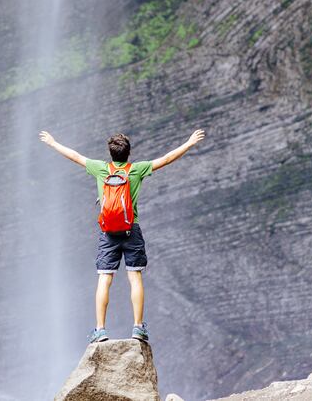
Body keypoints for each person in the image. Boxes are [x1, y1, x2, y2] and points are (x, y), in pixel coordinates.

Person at [39, 129, 205, 343]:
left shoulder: (100, 169)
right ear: (129, 153)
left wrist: (53, 143)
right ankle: (138, 328)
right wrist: (189, 143)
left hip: (108, 232)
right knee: (134, 277)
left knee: (104, 279)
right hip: (131, 229)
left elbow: (75, 156)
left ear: (110, 153)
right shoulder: (136, 170)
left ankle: (100, 329)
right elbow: (166, 158)